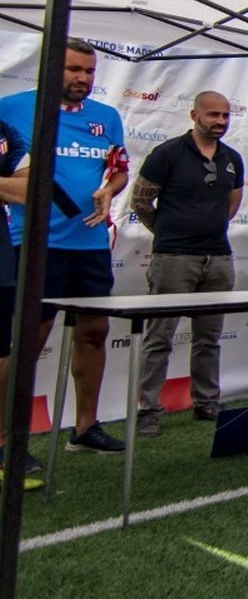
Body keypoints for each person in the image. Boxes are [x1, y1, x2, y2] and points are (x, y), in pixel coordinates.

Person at [0, 39, 128, 454]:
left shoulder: (106, 116)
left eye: (89, 72)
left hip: (90, 244)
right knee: (27, 341)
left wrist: (110, 189)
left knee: (94, 332)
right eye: (74, 69)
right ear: (52, 67)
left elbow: (119, 169)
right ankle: (8, 440)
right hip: (36, 244)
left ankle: (85, 428)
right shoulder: (13, 108)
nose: (82, 79)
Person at [129, 90, 245, 436]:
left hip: (218, 257)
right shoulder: (167, 154)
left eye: (225, 115)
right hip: (174, 257)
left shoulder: (232, 159)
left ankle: (206, 401)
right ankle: (148, 409)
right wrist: (168, 232)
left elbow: (231, 204)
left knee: (209, 337)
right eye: (213, 115)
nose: (220, 122)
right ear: (193, 115)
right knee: (159, 337)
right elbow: (141, 202)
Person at [0, 111, 35, 487]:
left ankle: (3, 444)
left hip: (2, 257)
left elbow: (28, 190)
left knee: (4, 354)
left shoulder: (5, 130)